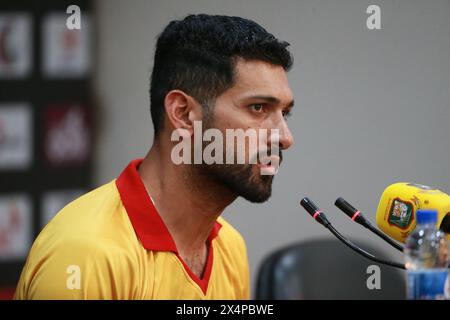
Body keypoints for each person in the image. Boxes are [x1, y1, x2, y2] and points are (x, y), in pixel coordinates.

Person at [14, 14, 294, 299]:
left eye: (284, 113)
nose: (285, 138)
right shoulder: (85, 254)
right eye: (258, 108)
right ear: (183, 114)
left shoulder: (229, 247)